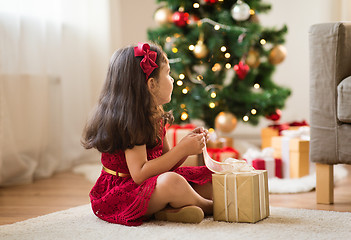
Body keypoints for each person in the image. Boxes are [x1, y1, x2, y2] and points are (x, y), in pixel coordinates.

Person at [81, 42, 213, 226]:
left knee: (208, 178)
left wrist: (187, 146)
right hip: (122, 194)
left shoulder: (155, 115)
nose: (172, 79)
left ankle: (170, 210)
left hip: (150, 183)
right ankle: (209, 207)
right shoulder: (132, 121)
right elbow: (140, 174)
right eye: (167, 73)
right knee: (173, 183)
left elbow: (166, 161)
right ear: (151, 84)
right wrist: (182, 150)